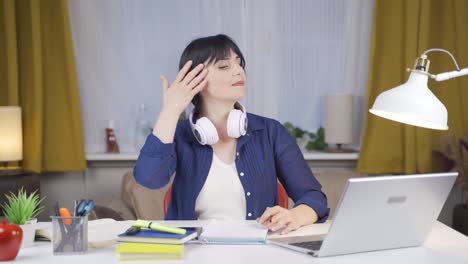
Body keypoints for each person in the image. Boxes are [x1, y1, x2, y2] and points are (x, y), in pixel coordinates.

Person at [134, 34, 329, 234]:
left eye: (239, 63)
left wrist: (294, 216)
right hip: (192, 252)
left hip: (258, 252)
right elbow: (149, 179)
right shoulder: (178, 134)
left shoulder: (270, 132)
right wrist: (170, 111)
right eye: (224, 66)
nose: (238, 71)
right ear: (195, 80)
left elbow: (314, 198)